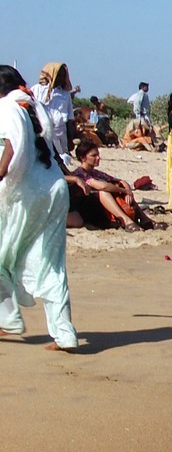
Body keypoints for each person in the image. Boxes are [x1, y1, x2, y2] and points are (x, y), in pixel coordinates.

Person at [0, 67, 79, 350]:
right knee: (52, 264)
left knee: (3, 256)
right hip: (55, 188)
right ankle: (64, 333)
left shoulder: (9, 107)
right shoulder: (33, 105)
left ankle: (8, 319)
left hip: (28, 194)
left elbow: (10, 149)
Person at [67, 141, 159, 230]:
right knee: (104, 192)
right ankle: (126, 221)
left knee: (119, 187)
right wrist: (123, 190)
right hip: (91, 210)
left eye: (98, 155)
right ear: (83, 158)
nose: (98, 158)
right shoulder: (79, 174)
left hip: (100, 208)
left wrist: (128, 192)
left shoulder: (96, 173)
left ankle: (145, 220)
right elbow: (102, 186)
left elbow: (121, 181)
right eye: (94, 156)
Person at [31, 63, 75, 159]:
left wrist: (70, 139)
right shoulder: (36, 90)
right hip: (41, 132)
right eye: (59, 75)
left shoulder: (65, 94)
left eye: (63, 75)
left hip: (60, 134)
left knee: (60, 159)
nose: (61, 78)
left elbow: (70, 118)